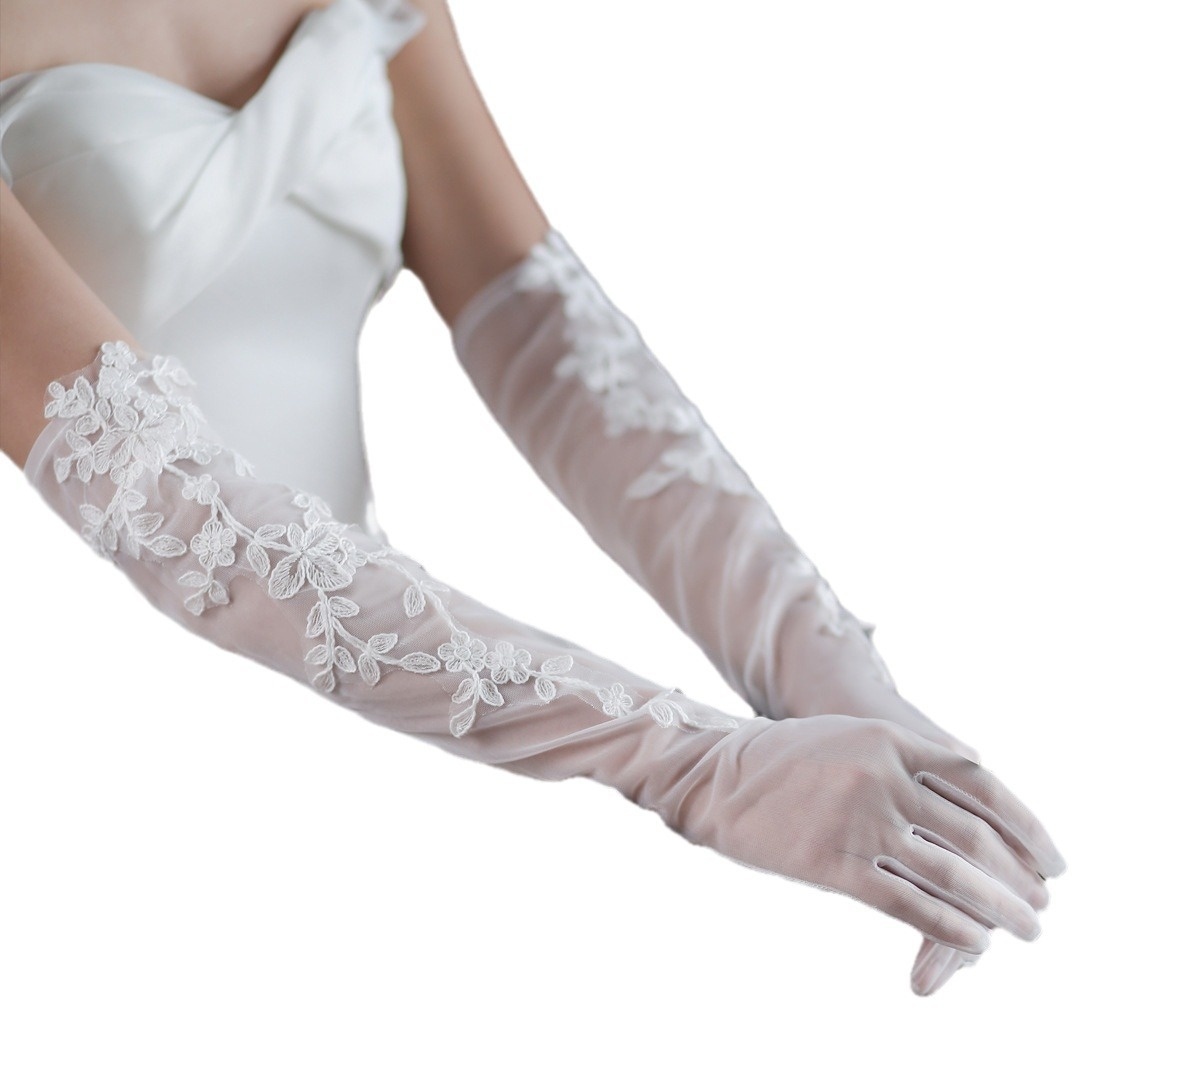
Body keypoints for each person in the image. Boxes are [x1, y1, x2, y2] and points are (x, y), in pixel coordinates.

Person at [0, 0, 1065, 997]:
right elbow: (166, 498)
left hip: (423, 713)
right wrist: (692, 762)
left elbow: (551, 341)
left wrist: (818, 665)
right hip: (134, 772)